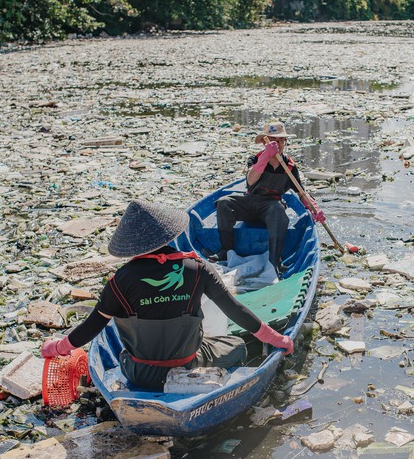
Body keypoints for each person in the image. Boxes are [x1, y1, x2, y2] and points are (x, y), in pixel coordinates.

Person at [40, 200, 294, 391]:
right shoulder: (198, 269)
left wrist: (57, 347)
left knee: (122, 348)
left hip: (139, 373)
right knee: (238, 346)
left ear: (132, 245)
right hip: (188, 364)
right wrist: (277, 338)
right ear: (171, 234)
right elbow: (235, 311)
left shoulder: (120, 280)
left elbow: (92, 326)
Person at [212, 122, 325, 275]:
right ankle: (226, 250)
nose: (277, 144)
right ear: (265, 142)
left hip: (271, 207)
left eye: (280, 141)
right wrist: (266, 156)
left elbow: (301, 193)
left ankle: (274, 261)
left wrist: (314, 208)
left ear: (285, 143)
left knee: (278, 209)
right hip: (250, 202)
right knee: (224, 203)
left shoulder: (289, 167)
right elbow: (251, 180)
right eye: (273, 141)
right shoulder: (255, 159)